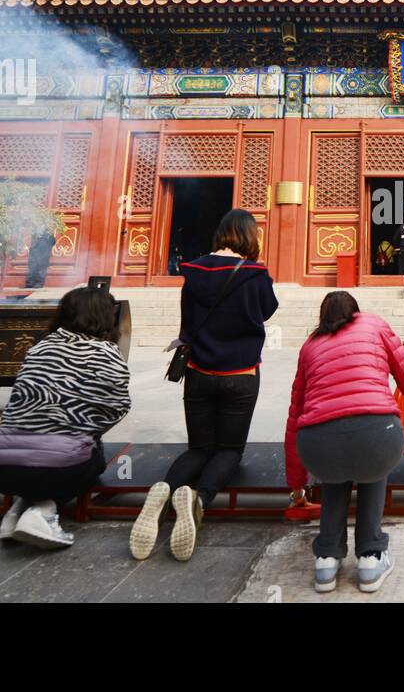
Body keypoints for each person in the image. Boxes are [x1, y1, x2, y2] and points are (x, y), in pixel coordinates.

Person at [129, 209, 279, 561]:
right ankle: (199, 500)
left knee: (199, 448)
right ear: (248, 235)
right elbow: (266, 311)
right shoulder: (255, 273)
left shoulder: (193, 270)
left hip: (199, 370)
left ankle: (164, 492)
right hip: (240, 374)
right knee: (228, 450)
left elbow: (187, 321)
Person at [285, 291, 404, 593]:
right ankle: (371, 557)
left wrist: (295, 480)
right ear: (355, 312)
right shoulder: (373, 324)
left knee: (335, 469)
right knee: (371, 461)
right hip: (376, 434)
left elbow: (295, 413)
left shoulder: (309, 346)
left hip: (316, 443)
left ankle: (326, 559)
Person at [0, 286, 131, 549]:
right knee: (92, 452)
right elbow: (117, 407)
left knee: (46, 452)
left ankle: (17, 511)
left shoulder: (39, 348)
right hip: (58, 471)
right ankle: (44, 512)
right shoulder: (107, 353)